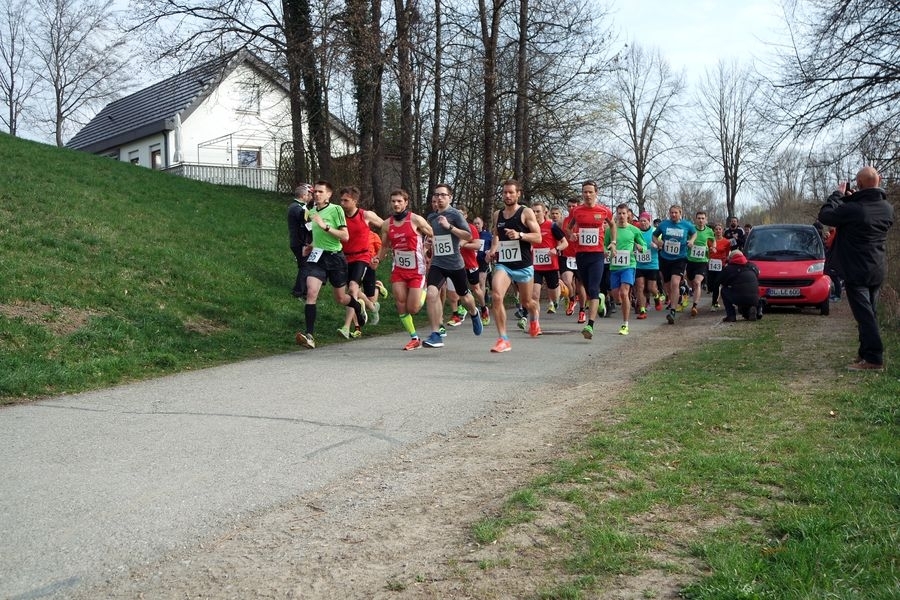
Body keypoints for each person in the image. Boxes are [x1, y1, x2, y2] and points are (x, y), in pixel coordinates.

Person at [817, 166, 894, 370]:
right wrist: (852, 200)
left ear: (858, 184)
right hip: (877, 268)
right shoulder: (887, 208)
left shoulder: (854, 209)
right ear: (879, 182)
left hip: (856, 269)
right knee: (870, 313)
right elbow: (863, 215)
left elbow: (826, 215)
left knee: (864, 316)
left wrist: (838, 195)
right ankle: (864, 353)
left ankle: (874, 358)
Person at [295, 181, 369, 350]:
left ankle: (357, 305)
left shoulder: (336, 210)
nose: (317, 194)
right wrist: (311, 246)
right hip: (318, 258)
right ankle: (309, 336)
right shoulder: (312, 212)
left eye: (321, 192)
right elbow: (317, 236)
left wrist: (325, 226)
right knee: (311, 292)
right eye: (315, 192)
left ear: (329, 194)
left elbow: (345, 236)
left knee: (340, 298)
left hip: (336, 258)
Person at [422, 184, 484, 348]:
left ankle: (474, 312)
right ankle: (436, 334)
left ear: (450, 197)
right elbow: (431, 237)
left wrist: (449, 227)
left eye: (443, 195)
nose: (439, 198)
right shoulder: (431, 217)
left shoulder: (455, 214)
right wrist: (429, 242)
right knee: (431, 293)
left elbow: (468, 236)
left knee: (464, 297)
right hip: (438, 263)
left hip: (455, 264)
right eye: (437, 195)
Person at [487, 179, 542, 352]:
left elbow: (538, 237)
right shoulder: (498, 214)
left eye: (511, 192)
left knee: (527, 302)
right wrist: (492, 250)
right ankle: (503, 339)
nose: (507, 195)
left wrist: (520, 235)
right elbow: (496, 235)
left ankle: (534, 315)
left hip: (523, 265)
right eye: (505, 192)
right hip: (504, 264)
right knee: (496, 296)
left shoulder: (526, 212)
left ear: (518, 194)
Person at [376, 189, 433, 350]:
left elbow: (432, 234)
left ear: (406, 202)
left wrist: (428, 251)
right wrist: (377, 258)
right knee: (400, 303)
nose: (396, 204)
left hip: (417, 269)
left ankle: (425, 289)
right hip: (399, 268)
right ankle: (414, 338)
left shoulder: (415, 219)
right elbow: (385, 246)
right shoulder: (387, 224)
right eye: (393, 201)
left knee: (413, 308)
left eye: (399, 201)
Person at [565, 181, 615, 339]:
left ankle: (590, 325)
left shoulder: (604, 210)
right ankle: (599, 299)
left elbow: (613, 225)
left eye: (590, 192)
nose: (587, 195)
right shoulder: (577, 211)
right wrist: (571, 235)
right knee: (587, 289)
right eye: (585, 192)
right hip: (581, 255)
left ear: (596, 193)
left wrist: (613, 242)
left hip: (597, 255)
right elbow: (568, 228)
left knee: (593, 289)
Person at [336, 186, 384, 339]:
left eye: (346, 200)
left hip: (361, 257)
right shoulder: (338, 216)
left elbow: (386, 226)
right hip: (344, 257)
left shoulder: (365, 215)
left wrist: (379, 254)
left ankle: (346, 327)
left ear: (355, 201)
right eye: (341, 200)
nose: (342, 203)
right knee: (348, 293)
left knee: (353, 289)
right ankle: (370, 307)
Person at [653, 205, 697, 325]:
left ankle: (672, 311)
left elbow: (694, 233)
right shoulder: (663, 224)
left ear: (680, 213)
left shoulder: (687, 225)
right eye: (671, 212)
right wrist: (658, 242)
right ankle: (678, 296)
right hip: (665, 258)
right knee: (667, 286)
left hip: (680, 258)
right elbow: (654, 235)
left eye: (676, 213)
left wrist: (691, 241)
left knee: (675, 283)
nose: (673, 215)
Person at [606, 204, 644, 335]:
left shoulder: (634, 230)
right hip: (614, 267)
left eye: (624, 213)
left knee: (623, 292)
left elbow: (643, 244)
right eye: (619, 213)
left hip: (629, 265)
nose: (621, 216)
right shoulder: (610, 230)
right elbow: (604, 245)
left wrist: (641, 248)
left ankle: (625, 324)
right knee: (617, 297)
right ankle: (629, 299)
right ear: (616, 215)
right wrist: (606, 251)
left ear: (628, 215)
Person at [530, 200, 568, 316]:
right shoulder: (529, 227)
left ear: (544, 213)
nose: (535, 214)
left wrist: (556, 249)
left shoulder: (552, 226)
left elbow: (565, 243)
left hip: (551, 265)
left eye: (538, 211)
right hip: (535, 266)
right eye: (533, 211)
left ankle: (558, 297)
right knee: (535, 295)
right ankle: (535, 321)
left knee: (553, 294)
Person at [686, 210, 715, 317]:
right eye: (699, 218)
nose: (701, 220)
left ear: (706, 220)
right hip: (690, 260)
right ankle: (689, 291)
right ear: (696, 219)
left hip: (702, 261)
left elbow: (713, 241)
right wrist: (688, 243)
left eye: (703, 218)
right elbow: (684, 240)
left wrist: (713, 247)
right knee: (691, 282)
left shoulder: (709, 231)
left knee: (697, 282)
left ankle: (694, 306)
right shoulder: (691, 229)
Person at [719, 250, 761, 322]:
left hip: (738, 297)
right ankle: (751, 309)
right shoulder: (753, 266)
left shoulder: (729, 268)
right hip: (755, 297)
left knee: (724, 290)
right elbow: (757, 275)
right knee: (748, 291)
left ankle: (731, 316)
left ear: (731, 258)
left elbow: (720, 281)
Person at [287, 183, 313, 298]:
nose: (309, 197)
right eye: (308, 195)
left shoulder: (295, 207)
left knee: (306, 266)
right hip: (300, 242)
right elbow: (307, 225)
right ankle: (298, 292)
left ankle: (305, 291)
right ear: (303, 196)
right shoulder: (298, 208)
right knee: (305, 266)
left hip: (297, 241)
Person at [634, 211, 661, 319]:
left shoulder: (655, 231)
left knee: (651, 288)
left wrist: (657, 245)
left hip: (652, 264)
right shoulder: (636, 231)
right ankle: (642, 310)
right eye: (641, 221)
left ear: (649, 221)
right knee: (640, 287)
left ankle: (657, 296)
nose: (643, 223)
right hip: (639, 264)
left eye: (645, 221)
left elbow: (661, 245)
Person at [706, 223, 732, 311]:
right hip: (710, 264)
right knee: (710, 285)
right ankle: (715, 298)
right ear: (714, 231)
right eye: (716, 229)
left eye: (720, 229)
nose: (718, 231)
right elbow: (706, 251)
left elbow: (727, 253)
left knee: (716, 284)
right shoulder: (709, 241)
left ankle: (714, 304)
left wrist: (726, 262)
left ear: (722, 231)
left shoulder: (727, 242)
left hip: (721, 265)